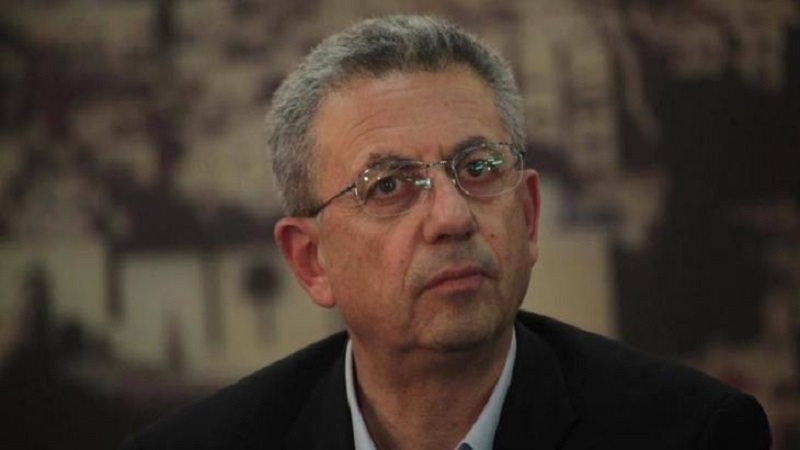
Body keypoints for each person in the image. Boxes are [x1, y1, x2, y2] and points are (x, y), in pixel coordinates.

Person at [122, 15, 771, 450]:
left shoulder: (691, 434)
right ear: (312, 260)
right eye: (388, 186)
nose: (453, 217)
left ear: (528, 215)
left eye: (480, 168)